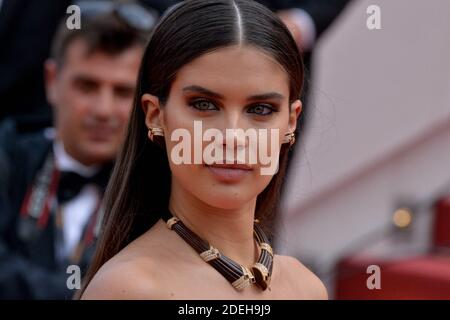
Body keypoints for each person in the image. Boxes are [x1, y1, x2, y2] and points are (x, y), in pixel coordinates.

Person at [79, 0, 327, 299]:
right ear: (155, 114)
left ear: (291, 122)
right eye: (204, 105)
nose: (233, 137)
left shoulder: (306, 288)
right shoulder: (129, 288)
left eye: (260, 109)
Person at [0, 8, 149, 299]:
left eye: (121, 92)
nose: (103, 110)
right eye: (87, 86)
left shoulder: (156, 186)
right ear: (51, 81)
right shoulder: (7, 156)